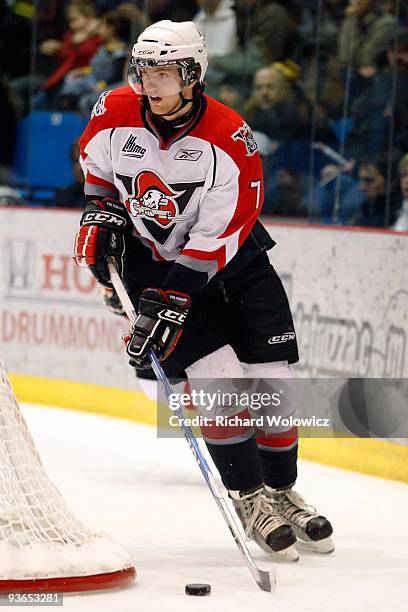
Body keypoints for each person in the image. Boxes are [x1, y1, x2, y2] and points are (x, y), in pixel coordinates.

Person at [73, 20, 334, 561]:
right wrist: (99, 212)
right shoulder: (113, 111)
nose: (150, 84)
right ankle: (249, 496)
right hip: (153, 265)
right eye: (143, 70)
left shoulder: (229, 136)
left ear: (194, 75)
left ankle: (282, 492)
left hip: (234, 262)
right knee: (218, 378)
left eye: (164, 72)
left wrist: (177, 295)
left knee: (274, 382)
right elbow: (94, 167)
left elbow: (224, 231)